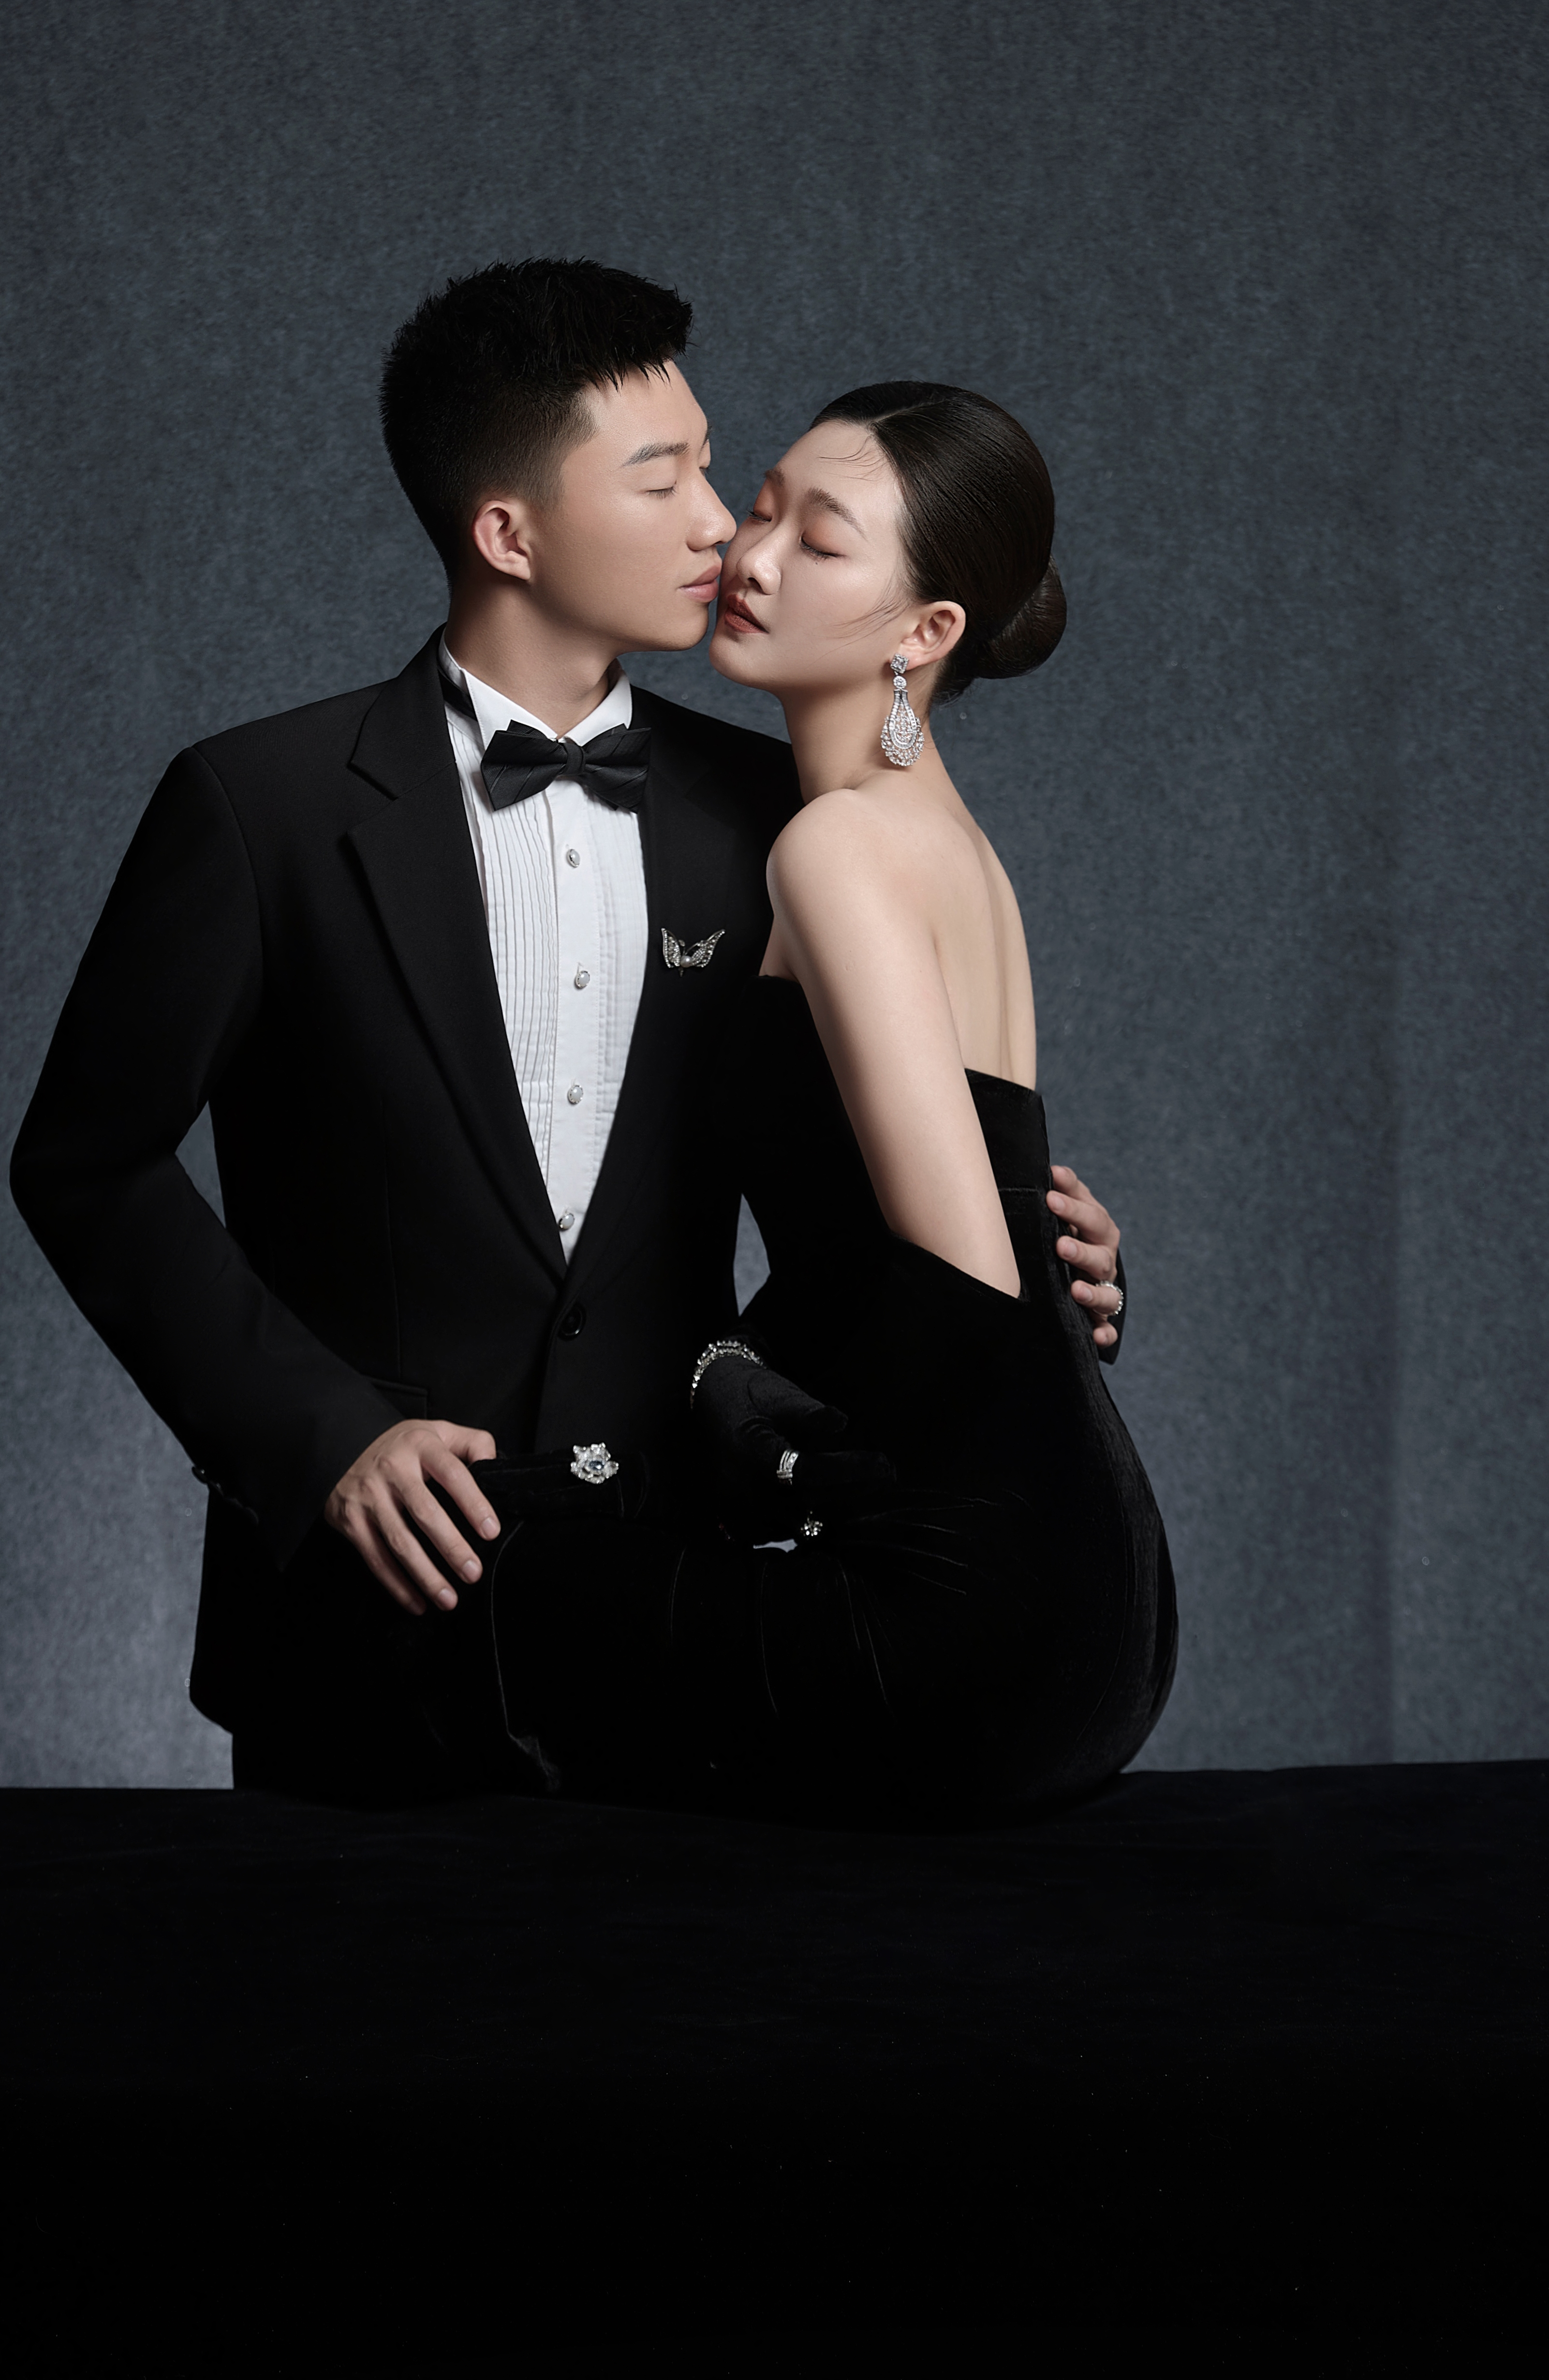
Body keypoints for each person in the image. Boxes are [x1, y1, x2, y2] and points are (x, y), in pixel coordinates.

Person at [8, 263, 1131, 1804]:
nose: (718, 524)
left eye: (717, 469)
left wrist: (1050, 1255)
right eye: (663, 479)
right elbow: (87, 1164)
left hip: (690, 1603)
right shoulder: (256, 807)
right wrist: (323, 1438)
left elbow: (878, 1185)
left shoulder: (782, 816)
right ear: (507, 532)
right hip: (366, 1621)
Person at [399, 383, 1176, 1826]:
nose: (747, 556)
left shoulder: (838, 849)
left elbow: (963, 1287)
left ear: (923, 633)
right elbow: (996, 1216)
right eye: (758, 508)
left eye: (817, 542)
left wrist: (724, 1400)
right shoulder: (944, 842)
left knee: (472, 1587)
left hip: (975, 1617)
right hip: (1096, 1594)